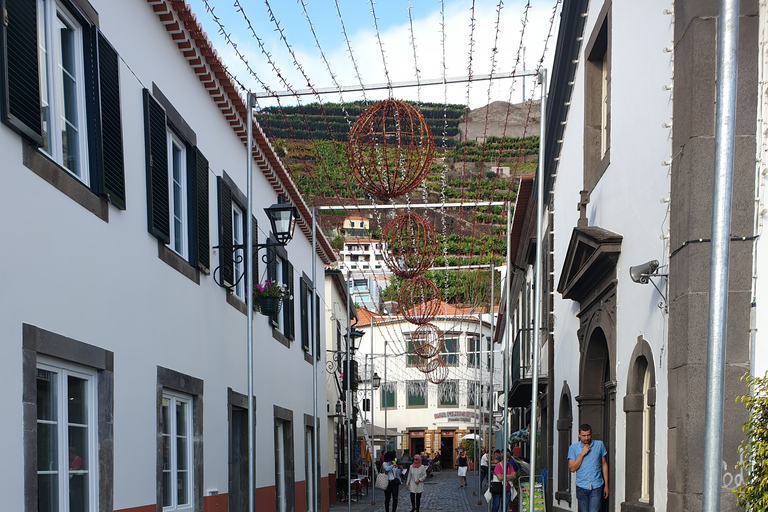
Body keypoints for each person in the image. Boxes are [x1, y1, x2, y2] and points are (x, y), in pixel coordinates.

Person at [568, 423, 609, 512]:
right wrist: (582, 454)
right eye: (584, 436)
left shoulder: (599, 445)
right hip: (581, 486)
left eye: (588, 435)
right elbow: (572, 468)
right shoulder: (573, 448)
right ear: (579, 435)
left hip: (597, 486)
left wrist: (606, 485)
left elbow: (604, 464)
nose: (586, 438)